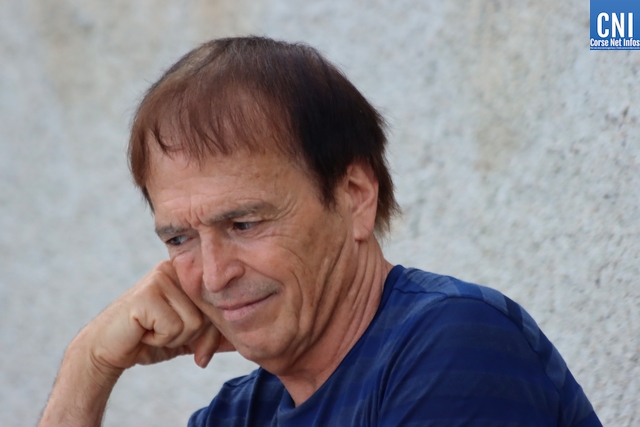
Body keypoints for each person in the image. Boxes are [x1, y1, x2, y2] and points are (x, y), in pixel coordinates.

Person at [39, 36, 602, 427]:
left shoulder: (451, 344)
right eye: (179, 239)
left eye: (243, 223)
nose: (213, 275)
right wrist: (90, 365)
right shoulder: (243, 412)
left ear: (355, 196)